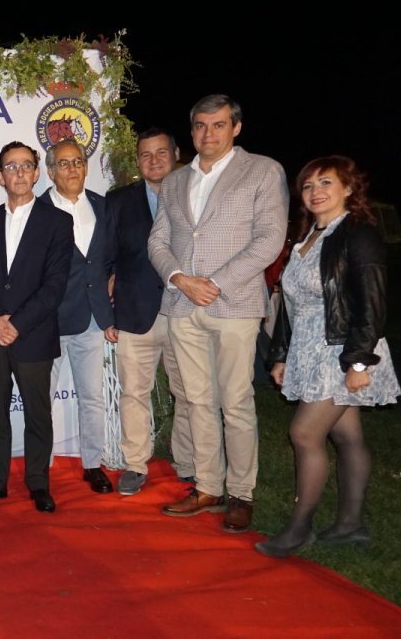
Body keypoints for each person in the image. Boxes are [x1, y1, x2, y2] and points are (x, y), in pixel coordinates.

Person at [147, 94, 288, 533]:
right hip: (182, 305)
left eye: (219, 125)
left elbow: (269, 239)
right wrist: (179, 278)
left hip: (235, 305)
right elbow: (158, 241)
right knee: (195, 400)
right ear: (192, 131)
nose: (209, 134)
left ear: (236, 128)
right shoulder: (174, 181)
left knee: (236, 402)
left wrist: (217, 283)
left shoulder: (263, 171)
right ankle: (208, 487)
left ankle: (242, 493)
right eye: (201, 126)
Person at [257, 156, 399, 557]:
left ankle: (300, 528)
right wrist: (281, 355)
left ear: (348, 189)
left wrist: (358, 362)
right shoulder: (306, 237)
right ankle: (351, 525)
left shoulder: (357, 233)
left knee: (304, 433)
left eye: (326, 183)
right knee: (346, 433)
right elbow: (291, 305)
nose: (316, 192)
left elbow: (372, 303)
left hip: (342, 350)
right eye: (308, 186)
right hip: (309, 349)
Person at [0, 142, 72, 513]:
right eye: (11, 167)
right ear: (0, 176)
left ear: (37, 172)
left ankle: (38, 483)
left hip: (34, 333)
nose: (19, 173)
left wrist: (18, 323)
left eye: (26, 166)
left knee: (38, 412)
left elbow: (55, 285)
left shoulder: (58, 221)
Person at [105, 128, 193, 495]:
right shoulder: (117, 201)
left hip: (184, 312)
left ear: (175, 154)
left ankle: (188, 463)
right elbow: (105, 259)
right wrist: (108, 313)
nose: (154, 160)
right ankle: (135, 464)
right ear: (137, 161)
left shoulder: (195, 196)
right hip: (134, 311)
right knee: (134, 393)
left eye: (161, 152)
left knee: (189, 391)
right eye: (145, 155)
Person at [45, 138, 116, 494]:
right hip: (49, 322)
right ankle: (39, 466)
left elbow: (110, 259)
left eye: (77, 162)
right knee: (42, 396)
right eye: (64, 163)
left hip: (92, 319)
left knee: (92, 396)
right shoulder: (37, 208)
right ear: (50, 171)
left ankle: (93, 463)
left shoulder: (104, 207)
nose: (72, 169)